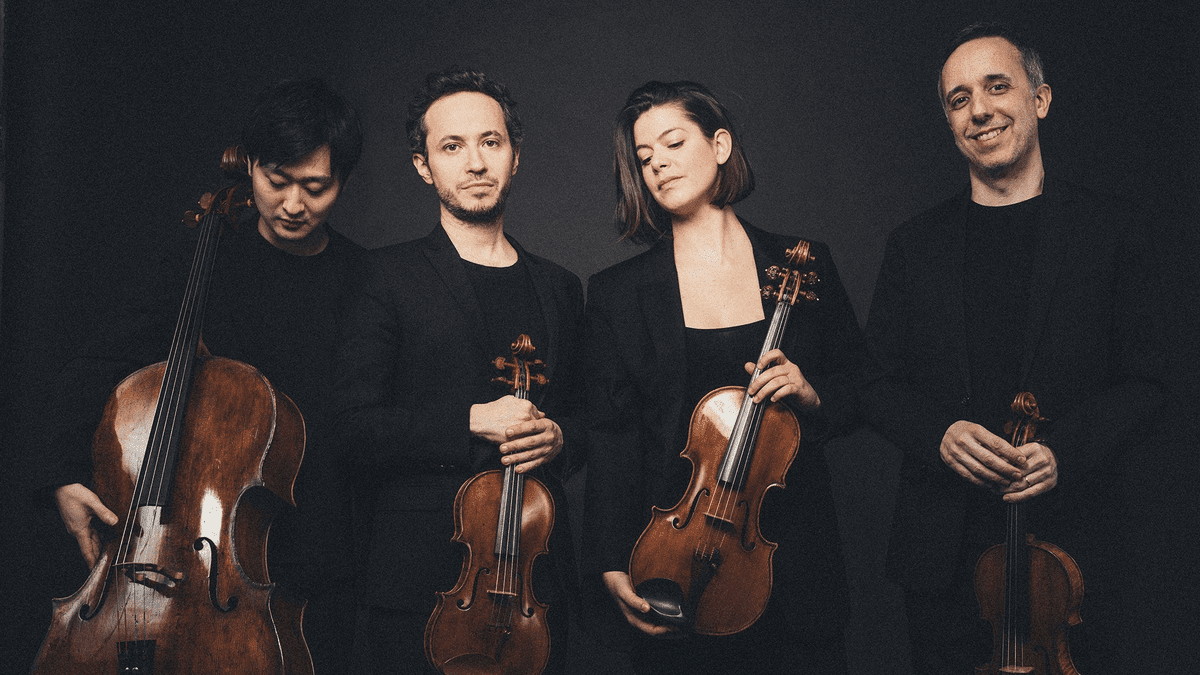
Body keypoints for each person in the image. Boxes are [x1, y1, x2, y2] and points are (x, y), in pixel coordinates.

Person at [34, 77, 365, 674]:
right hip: (192, 548)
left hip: (318, 552)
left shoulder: (365, 282)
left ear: (342, 180)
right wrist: (61, 474)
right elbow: (98, 364)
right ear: (250, 167)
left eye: (315, 187)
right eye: (277, 180)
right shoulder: (202, 258)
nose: (293, 204)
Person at [861, 23, 1164, 675]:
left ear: (1040, 99)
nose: (979, 110)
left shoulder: (1114, 232)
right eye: (959, 99)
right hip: (942, 559)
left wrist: (1064, 452)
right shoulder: (914, 246)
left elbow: (1150, 380)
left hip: (1074, 556)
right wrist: (938, 433)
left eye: (997, 87)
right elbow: (874, 384)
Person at [582, 80, 864, 673]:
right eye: (644, 157)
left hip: (794, 555)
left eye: (673, 143)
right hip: (676, 561)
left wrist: (812, 395)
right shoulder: (617, 294)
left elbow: (860, 389)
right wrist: (610, 561)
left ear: (720, 145)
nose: (658, 164)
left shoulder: (803, 263)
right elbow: (612, 438)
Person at [331, 67, 584, 674]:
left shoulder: (558, 286)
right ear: (424, 166)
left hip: (534, 583)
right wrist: (470, 420)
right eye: (452, 146)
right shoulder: (383, 277)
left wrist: (559, 437)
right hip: (419, 582)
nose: (475, 162)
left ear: (515, 157)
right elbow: (352, 429)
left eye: (490, 142)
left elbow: (586, 420)